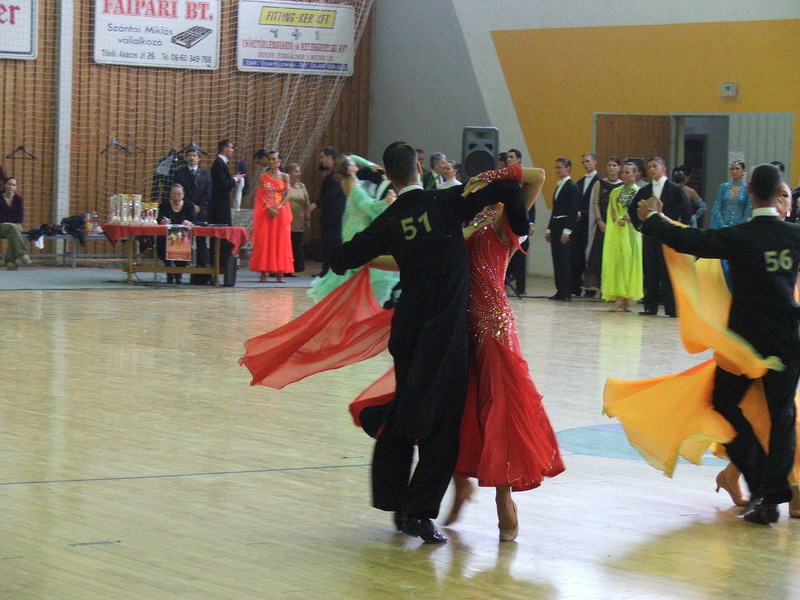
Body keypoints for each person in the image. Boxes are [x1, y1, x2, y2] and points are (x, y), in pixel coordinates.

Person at [328, 142, 528, 544]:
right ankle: (417, 513)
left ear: (388, 174)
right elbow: (511, 188)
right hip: (446, 333)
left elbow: (341, 258)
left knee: (408, 413)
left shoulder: (390, 220)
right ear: (419, 167)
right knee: (441, 428)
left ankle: (396, 500)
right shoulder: (447, 202)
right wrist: (517, 222)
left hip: (409, 331)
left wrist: (381, 247)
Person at [633, 163, 800, 524]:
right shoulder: (795, 235)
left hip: (743, 343)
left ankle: (760, 485)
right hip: (788, 339)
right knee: (783, 415)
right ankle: (770, 495)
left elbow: (692, 241)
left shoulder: (740, 235)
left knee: (724, 404)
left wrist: (655, 220)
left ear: (750, 191)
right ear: (779, 194)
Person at [442, 165, 564, 541]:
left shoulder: (505, 222)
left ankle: (503, 496)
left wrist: (494, 175)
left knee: (500, 411)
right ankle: (460, 483)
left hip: (495, 329)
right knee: (456, 409)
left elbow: (537, 176)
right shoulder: (466, 219)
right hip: (459, 327)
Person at [309, 154, 398, 305]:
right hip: (357, 230)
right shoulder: (355, 189)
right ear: (349, 168)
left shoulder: (351, 182)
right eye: (352, 163)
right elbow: (370, 207)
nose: (356, 164)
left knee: (355, 269)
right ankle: (357, 303)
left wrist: (369, 164)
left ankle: (350, 302)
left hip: (354, 228)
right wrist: (386, 201)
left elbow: (351, 157)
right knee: (370, 269)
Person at [628, 156, 692, 317]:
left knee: (668, 271)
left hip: (668, 236)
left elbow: (687, 212)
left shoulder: (675, 190)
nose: (651, 169)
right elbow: (632, 209)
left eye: (655, 166)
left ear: (663, 168)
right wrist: (640, 225)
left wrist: (679, 230)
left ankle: (672, 308)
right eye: (649, 167)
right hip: (650, 235)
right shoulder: (644, 191)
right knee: (651, 270)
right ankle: (650, 306)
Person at [600, 162, 642, 311]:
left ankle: (626, 298)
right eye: (623, 172)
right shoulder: (615, 192)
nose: (624, 175)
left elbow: (642, 211)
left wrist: (631, 218)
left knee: (630, 262)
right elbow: (612, 210)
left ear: (636, 174)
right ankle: (618, 297)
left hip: (632, 232)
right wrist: (617, 219)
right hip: (619, 230)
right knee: (619, 261)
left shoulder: (640, 192)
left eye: (627, 172)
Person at [249, 150, 292, 283]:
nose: (272, 161)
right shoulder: (263, 176)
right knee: (265, 240)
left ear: (279, 161)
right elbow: (260, 195)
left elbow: (288, 194)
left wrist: (279, 207)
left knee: (280, 241)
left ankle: (280, 273)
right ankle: (263, 272)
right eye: (270, 159)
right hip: (266, 213)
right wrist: (268, 208)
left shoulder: (285, 176)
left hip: (280, 213)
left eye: (274, 159)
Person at [584, 157, 623, 295]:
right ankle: (597, 287)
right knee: (598, 255)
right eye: (609, 165)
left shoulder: (623, 185)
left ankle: (611, 288)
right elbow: (596, 203)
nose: (612, 168)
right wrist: (599, 220)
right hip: (602, 224)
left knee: (614, 256)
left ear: (619, 168)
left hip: (617, 225)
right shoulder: (599, 183)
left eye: (614, 165)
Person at [172, 148, 212, 281]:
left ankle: (202, 271)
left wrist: (200, 206)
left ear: (199, 158)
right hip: (185, 211)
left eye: (194, 155)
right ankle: (179, 271)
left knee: (201, 241)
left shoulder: (205, 174)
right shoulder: (179, 173)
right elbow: (179, 192)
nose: (192, 158)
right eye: (189, 155)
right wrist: (191, 205)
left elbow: (208, 193)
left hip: (201, 212)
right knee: (183, 240)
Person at [546, 158, 580, 301]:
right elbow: (555, 210)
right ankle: (559, 290)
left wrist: (567, 230)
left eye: (560, 167)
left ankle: (566, 291)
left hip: (565, 225)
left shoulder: (573, 187)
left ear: (568, 168)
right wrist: (549, 229)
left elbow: (573, 211)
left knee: (565, 259)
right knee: (557, 259)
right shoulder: (558, 187)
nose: (557, 170)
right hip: (556, 225)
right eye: (556, 167)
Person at [504, 149, 534, 295]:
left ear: (518, 159)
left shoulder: (525, 177)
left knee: (520, 256)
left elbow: (531, 201)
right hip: (507, 218)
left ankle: (521, 288)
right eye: (507, 157)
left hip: (521, 219)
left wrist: (531, 222)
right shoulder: (505, 177)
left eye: (512, 157)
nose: (509, 159)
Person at [314, 146, 347, 276]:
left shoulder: (337, 173)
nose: (320, 160)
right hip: (329, 215)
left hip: (336, 215)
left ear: (329, 157)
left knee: (333, 242)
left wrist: (316, 203)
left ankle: (332, 270)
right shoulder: (330, 173)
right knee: (327, 242)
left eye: (322, 157)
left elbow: (334, 192)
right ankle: (327, 268)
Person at [572, 153, 601, 297]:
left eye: (588, 161)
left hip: (593, 224)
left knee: (592, 255)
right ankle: (576, 287)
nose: (586, 164)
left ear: (595, 162)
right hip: (579, 225)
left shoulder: (600, 181)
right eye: (583, 162)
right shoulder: (580, 182)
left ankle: (591, 288)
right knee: (578, 255)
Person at [157, 184, 195, 283]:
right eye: (174, 194)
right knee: (161, 243)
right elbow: (159, 219)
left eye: (179, 194)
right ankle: (169, 271)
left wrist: (189, 222)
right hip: (166, 237)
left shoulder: (189, 206)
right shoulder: (164, 205)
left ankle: (179, 273)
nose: (176, 197)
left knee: (184, 243)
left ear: (183, 194)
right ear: (170, 195)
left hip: (184, 237)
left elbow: (193, 220)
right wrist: (163, 221)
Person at [285, 162, 311, 275]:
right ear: (289, 173)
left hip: (298, 220)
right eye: (296, 171)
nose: (299, 174)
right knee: (286, 244)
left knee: (296, 244)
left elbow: (307, 203)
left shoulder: (302, 186)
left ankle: (295, 268)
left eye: (299, 172)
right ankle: (284, 268)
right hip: (286, 220)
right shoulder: (284, 185)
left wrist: (307, 219)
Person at [0, 177, 32, 270]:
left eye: (14, 185)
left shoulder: (19, 199)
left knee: (13, 231)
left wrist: (6, 218)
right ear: (4, 185)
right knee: (14, 228)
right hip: (1, 227)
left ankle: (10, 263)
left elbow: (19, 218)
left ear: (16, 188)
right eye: (9, 184)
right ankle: (21, 254)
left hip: (15, 226)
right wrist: (11, 219)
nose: (11, 186)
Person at [711, 161, 751, 229]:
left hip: (740, 227)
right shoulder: (724, 187)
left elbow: (748, 209)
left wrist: (740, 226)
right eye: (732, 169)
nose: (734, 171)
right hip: (723, 227)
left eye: (737, 169)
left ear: (743, 171)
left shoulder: (747, 188)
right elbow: (717, 207)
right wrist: (723, 225)